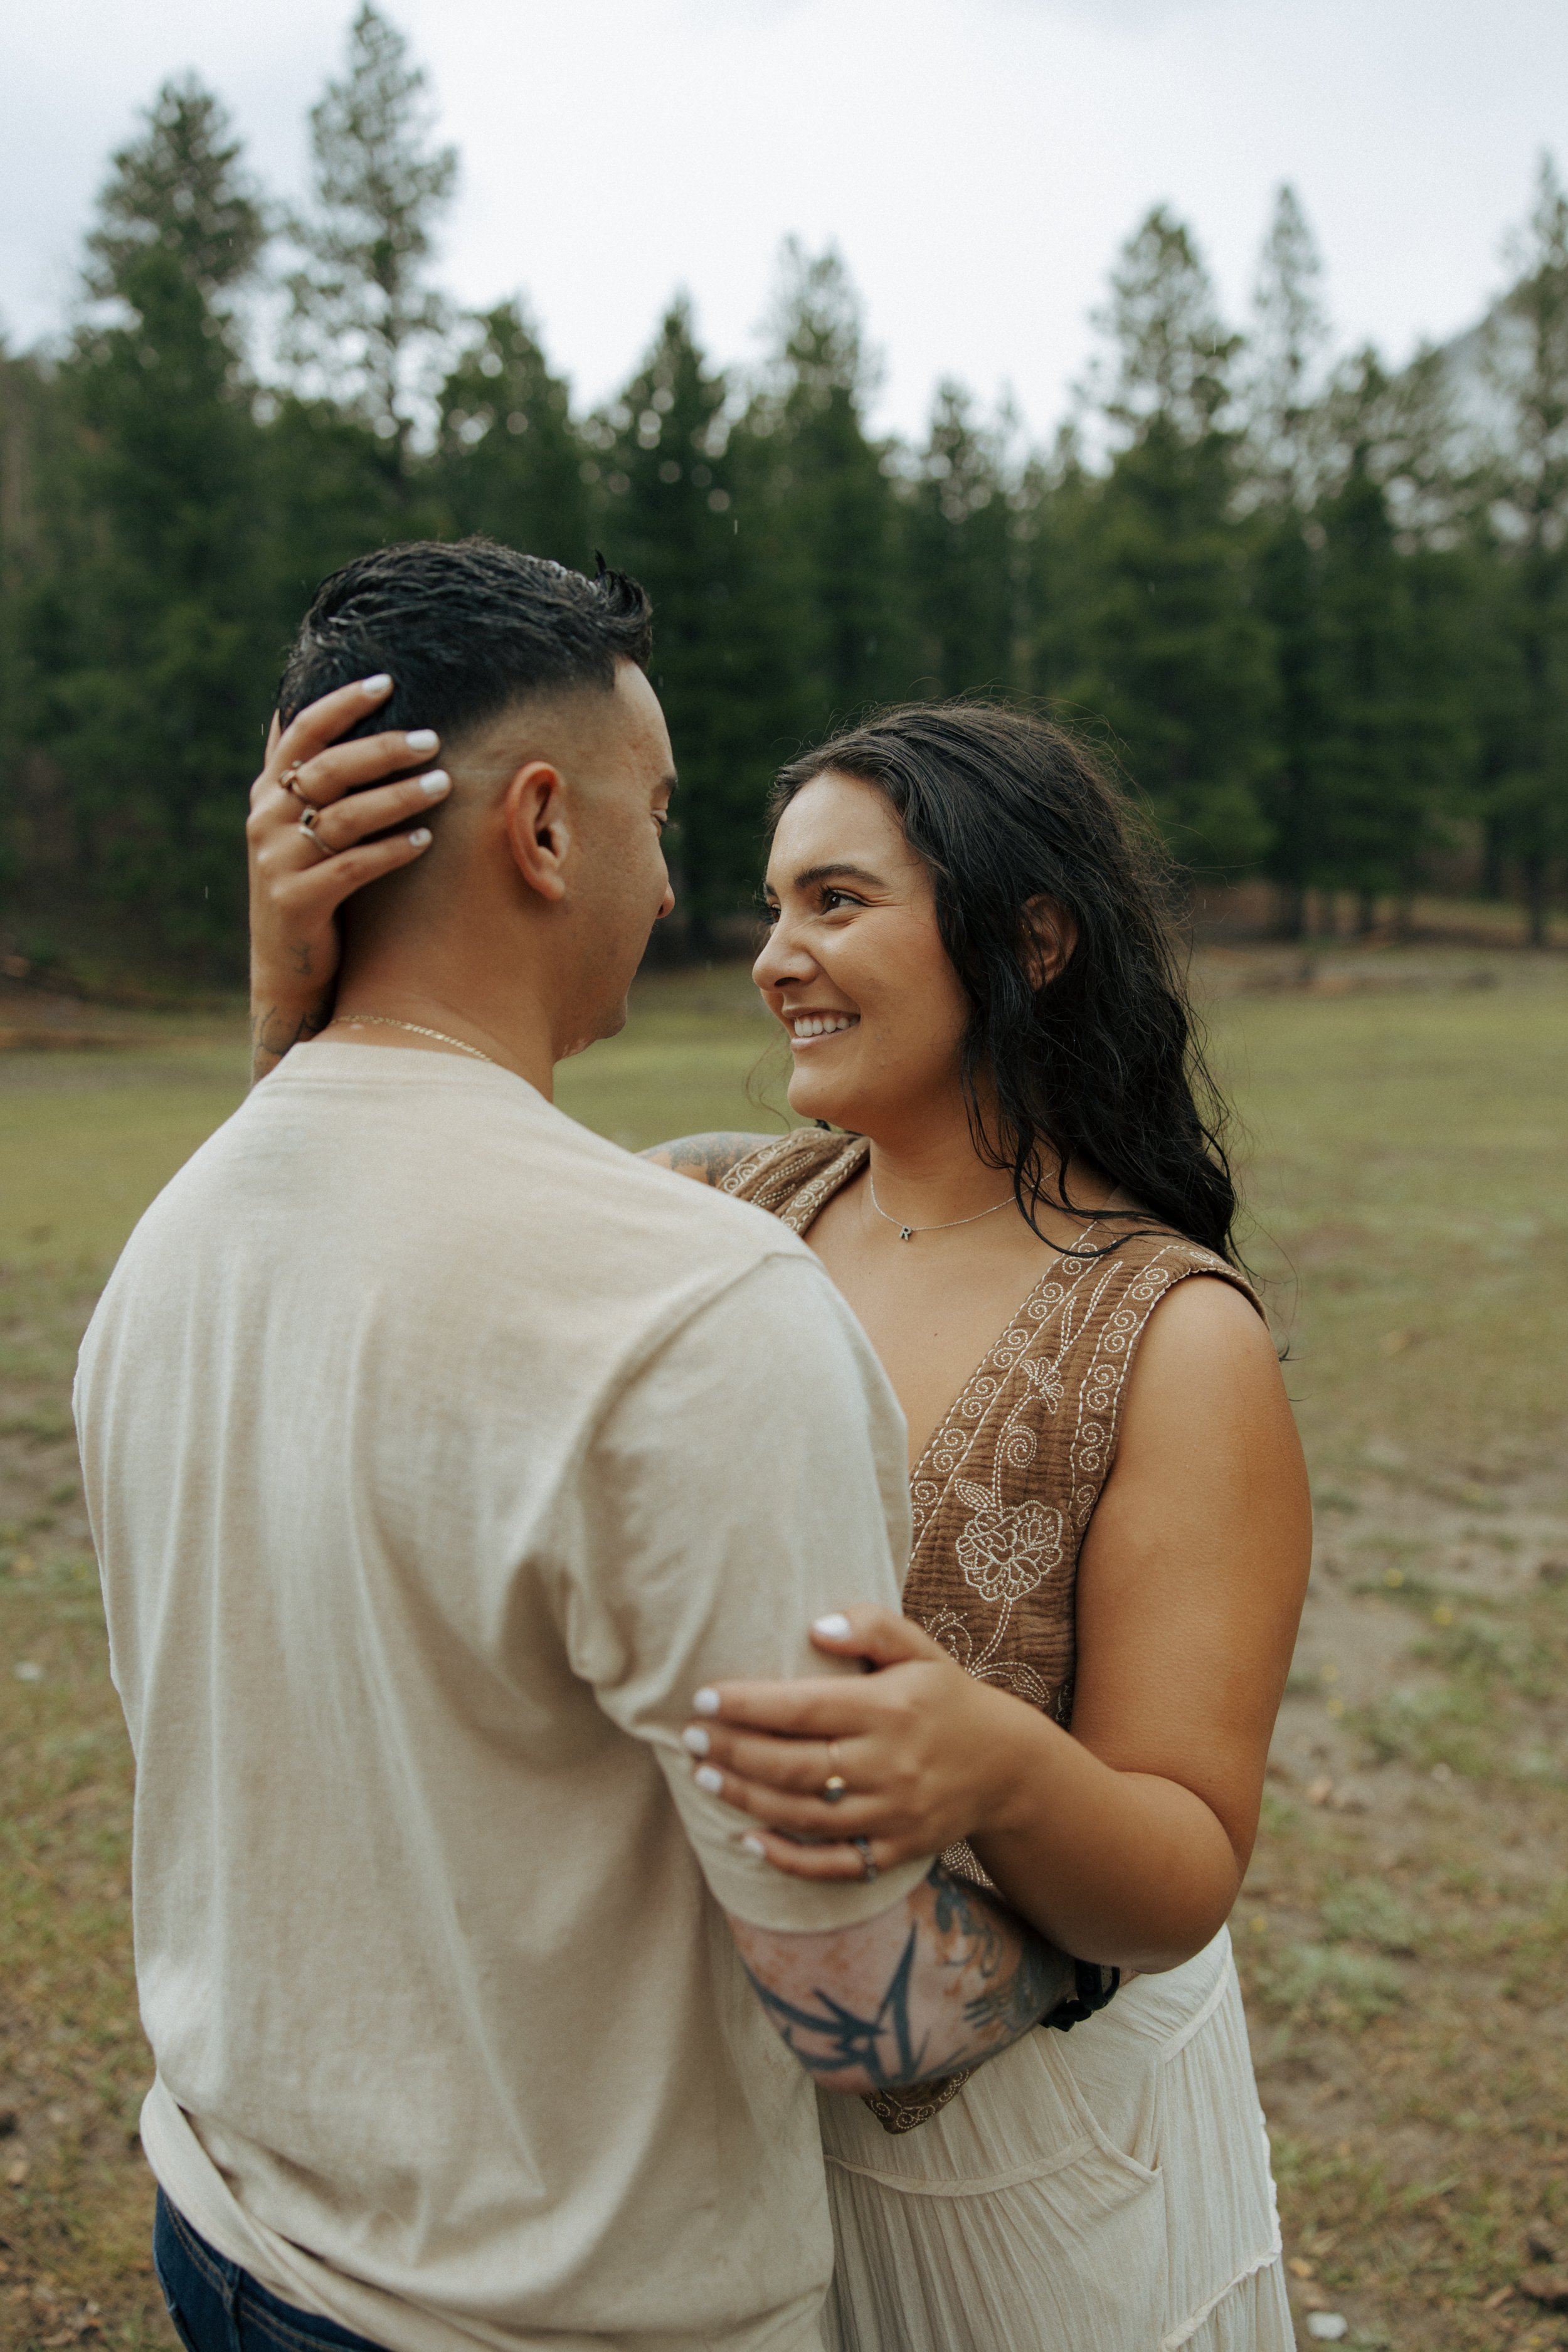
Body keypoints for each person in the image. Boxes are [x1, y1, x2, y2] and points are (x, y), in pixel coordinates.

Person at [77, 542, 1093, 2352]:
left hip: (226, 2228)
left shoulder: (178, 1240)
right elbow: (860, 2004)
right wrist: (1100, 1933)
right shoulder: (699, 1314)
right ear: (542, 828)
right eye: (661, 815)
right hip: (549, 2312)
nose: (673, 881)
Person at [250, 673, 1312, 2351]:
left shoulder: (1174, 1344)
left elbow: (1182, 1866)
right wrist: (298, 991)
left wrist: (994, 1759)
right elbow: (379, 1246)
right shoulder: (702, 1204)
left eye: (837, 902)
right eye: (769, 903)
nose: (771, 957)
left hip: (1024, 2181)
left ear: (1030, 942)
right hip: (710, 2147)